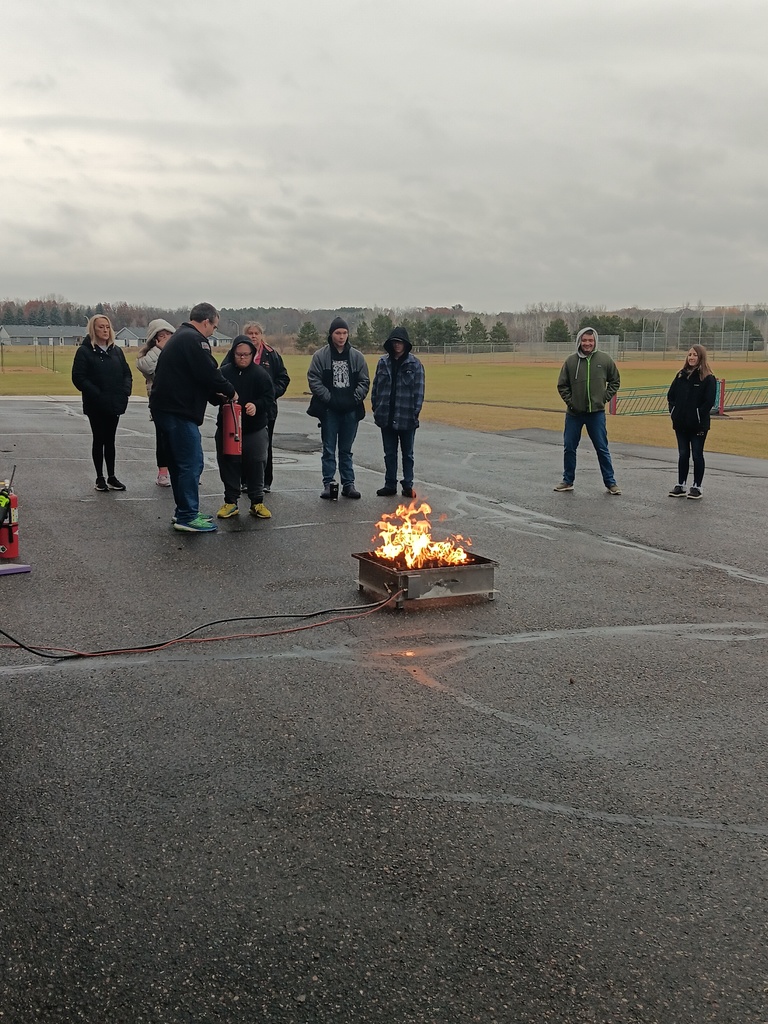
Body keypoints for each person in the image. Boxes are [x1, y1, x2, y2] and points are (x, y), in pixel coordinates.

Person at [149, 303, 237, 533]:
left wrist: (217, 398)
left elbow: (195, 378)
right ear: (206, 321)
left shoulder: (181, 337)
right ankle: (187, 516)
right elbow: (209, 373)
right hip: (177, 412)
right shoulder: (195, 340)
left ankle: (183, 511)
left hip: (167, 409)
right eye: (214, 327)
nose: (213, 332)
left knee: (180, 463)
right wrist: (230, 391)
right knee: (191, 462)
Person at [307, 316, 370, 499]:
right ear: (331, 334)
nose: (341, 336)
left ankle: (348, 483)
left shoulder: (357, 357)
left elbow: (364, 381)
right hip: (329, 410)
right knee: (328, 448)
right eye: (338, 333)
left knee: (346, 449)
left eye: (344, 333)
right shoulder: (320, 356)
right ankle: (328, 483)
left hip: (351, 410)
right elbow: (314, 379)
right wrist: (329, 399)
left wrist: (354, 399)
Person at [554, 327, 621, 495]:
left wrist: (604, 397)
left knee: (602, 448)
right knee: (569, 447)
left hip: (596, 413)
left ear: (595, 341)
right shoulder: (570, 361)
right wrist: (571, 403)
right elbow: (562, 385)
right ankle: (568, 480)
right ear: (579, 341)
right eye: (584, 340)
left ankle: (610, 482)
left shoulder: (604, 359)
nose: (587, 343)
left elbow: (615, 381)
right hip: (574, 414)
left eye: (590, 340)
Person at [215, 336, 275, 520]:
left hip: (254, 427)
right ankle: (231, 501)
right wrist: (219, 397)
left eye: (246, 354)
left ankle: (257, 501)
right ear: (233, 353)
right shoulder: (223, 373)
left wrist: (256, 406)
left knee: (257, 462)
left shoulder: (261, 374)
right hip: (228, 428)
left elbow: (269, 399)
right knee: (228, 463)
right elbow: (210, 396)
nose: (242, 358)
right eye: (238, 354)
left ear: (252, 354)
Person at [71, 314, 132, 492]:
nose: (105, 330)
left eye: (107, 327)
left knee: (110, 440)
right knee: (99, 439)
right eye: (101, 327)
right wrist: (97, 393)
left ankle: (112, 476)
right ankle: (100, 477)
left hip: (114, 403)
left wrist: (125, 391)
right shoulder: (85, 351)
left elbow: (126, 373)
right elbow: (79, 378)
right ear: (93, 329)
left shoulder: (116, 351)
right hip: (96, 404)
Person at [371, 326, 425, 498]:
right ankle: (390, 484)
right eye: (394, 342)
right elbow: (376, 387)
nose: (397, 346)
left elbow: (419, 390)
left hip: (406, 415)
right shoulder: (383, 362)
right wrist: (376, 407)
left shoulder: (415, 364)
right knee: (389, 453)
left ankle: (408, 485)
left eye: (400, 343)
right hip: (386, 414)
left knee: (407, 454)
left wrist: (415, 412)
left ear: (406, 344)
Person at [242, 322, 290, 492]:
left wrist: (270, 395)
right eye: (250, 333)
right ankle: (245, 480)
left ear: (261, 335)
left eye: (256, 333)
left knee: (264, 445)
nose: (253, 336)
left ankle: (265, 481)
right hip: (243, 409)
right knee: (243, 444)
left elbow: (283, 378)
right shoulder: (239, 353)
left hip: (266, 409)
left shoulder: (271, 355)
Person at [666, 345, 717, 500]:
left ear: (701, 357)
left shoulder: (708, 378)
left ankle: (697, 486)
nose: (692, 358)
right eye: (689, 355)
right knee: (683, 454)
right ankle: (681, 484)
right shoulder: (681, 375)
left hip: (698, 424)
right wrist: (674, 412)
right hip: (681, 423)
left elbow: (708, 402)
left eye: (695, 355)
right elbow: (671, 396)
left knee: (696, 454)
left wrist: (697, 415)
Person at [136, 318, 175, 487]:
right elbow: (146, 367)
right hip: (160, 402)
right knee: (163, 438)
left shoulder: (178, 350)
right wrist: (159, 348)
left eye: (168, 334)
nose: (165, 338)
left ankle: (181, 471)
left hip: (178, 401)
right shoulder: (148, 354)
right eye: (161, 335)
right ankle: (163, 473)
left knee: (180, 438)